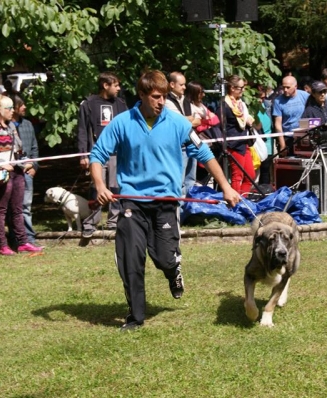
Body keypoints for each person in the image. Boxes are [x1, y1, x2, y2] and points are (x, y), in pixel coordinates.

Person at [88, 70, 241, 331]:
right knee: (131, 259)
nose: (161, 102)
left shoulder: (178, 123)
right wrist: (100, 185)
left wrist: (226, 187)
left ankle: (174, 271)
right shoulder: (122, 123)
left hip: (166, 202)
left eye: (164, 97)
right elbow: (97, 155)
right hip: (132, 203)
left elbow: (204, 154)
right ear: (142, 95)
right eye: (156, 97)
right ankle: (135, 317)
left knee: (163, 258)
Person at [0, 92, 43, 255]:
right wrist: (1, 164)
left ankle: (23, 242)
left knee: (18, 208)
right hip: (0, 174)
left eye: (13, 108)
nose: (12, 110)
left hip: (17, 172)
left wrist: (25, 161)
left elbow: (17, 150)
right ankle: (2, 245)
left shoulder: (11, 126)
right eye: (9, 108)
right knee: (1, 209)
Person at [77, 72, 128, 238]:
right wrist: (83, 154)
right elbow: (83, 130)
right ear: (106, 85)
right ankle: (91, 222)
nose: (119, 88)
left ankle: (114, 222)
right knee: (95, 188)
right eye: (116, 85)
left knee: (115, 187)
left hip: (117, 153)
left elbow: (128, 128)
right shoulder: (89, 104)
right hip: (96, 154)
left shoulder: (120, 104)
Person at [7, 93, 40, 247]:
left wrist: (34, 166)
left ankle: (29, 239)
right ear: (12, 108)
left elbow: (34, 147)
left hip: (27, 173)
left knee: (26, 207)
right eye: (21, 104)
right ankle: (15, 239)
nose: (25, 107)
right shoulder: (4, 126)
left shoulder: (27, 124)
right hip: (11, 172)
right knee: (11, 207)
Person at [218, 75, 256, 195]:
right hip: (233, 144)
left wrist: (248, 119)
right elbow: (220, 124)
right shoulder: (224, 105)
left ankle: (242, 199)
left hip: (244, 142)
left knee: (250, 175)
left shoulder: (240, 103)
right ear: (232, 88)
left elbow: (245, 116)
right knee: (237, 176)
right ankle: (235, 204)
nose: (243, 90)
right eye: (241, 87)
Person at [165, 72, 201, 196]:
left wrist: (188, 119)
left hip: (191, 142)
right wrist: (190, 119)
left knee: (191, 180)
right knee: (179, 181)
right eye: (182, 85)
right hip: (178, 146)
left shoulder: (186, 100)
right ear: (172, 84)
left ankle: (189, 210)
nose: (185, 87)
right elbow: (178, 122)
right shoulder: (166, 100)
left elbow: (199, 119)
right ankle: (178, 212)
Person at [272, 75, 309, 156]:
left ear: (295, 86)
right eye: (283, 87)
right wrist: (282, 145)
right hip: (287, 137)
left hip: (304, 136)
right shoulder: (278, 101)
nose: (285, 90)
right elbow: (278, 124)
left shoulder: (305, 96)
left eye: (288, 87)